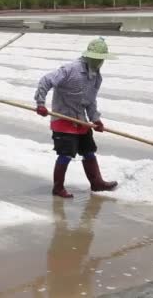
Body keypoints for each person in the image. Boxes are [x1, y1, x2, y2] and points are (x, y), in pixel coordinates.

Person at [34, 37, 118, 198]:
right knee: (66, 153)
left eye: (102, 59)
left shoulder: (96, 78)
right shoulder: (70, 70)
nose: (100, 62)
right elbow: (46, 81)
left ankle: (97, 183)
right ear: (89, 56)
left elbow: (90, 102)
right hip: (63, 120)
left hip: (80, 121)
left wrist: (95, 119)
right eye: (98, 59)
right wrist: (40, 103)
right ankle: (58, 188)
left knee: (88, 151)